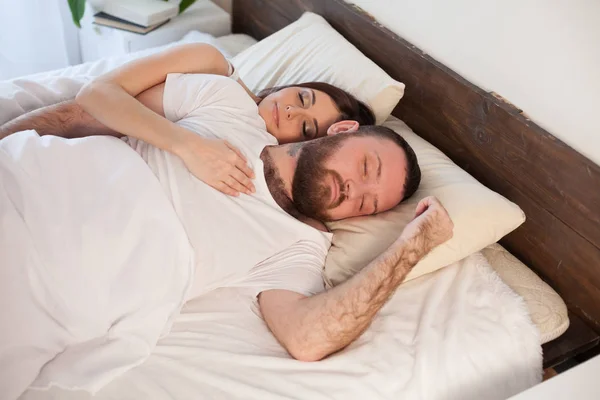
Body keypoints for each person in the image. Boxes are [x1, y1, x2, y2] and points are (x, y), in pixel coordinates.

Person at [1, 67, 452, 369]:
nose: (355, 191)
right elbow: (80, 114)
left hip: (57, 287)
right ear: (343, 130)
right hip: (36, 187)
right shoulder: (227, 103)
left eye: (368, 206)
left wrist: (413, 244)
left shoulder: (301, 246)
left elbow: (308, 338)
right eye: (367, 168)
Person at [0, 43, 375, 199]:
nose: (292, 111)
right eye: (303, 98)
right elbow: (91, 98)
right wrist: (186, 145)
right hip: (60, 126)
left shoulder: (253, 153)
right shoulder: (212, 64)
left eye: (305, 126)